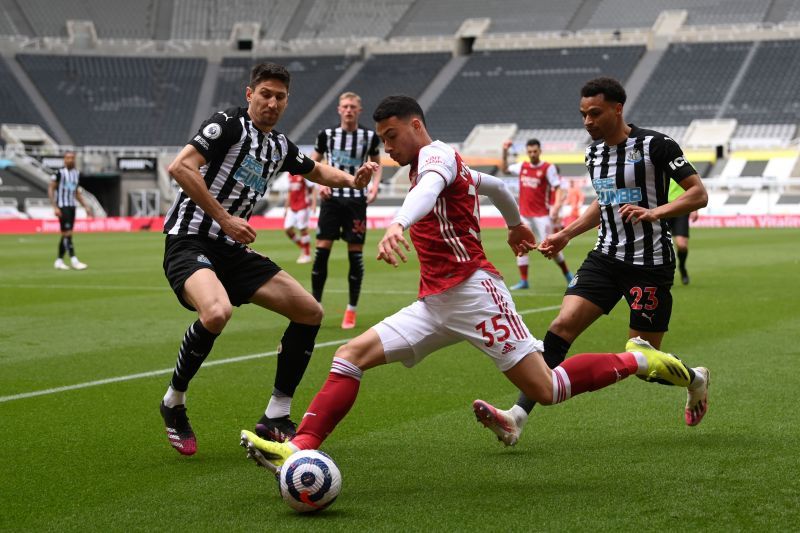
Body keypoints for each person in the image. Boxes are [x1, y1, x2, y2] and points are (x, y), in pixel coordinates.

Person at [239, 95, 710, 470]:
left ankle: (634, 358)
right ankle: (300, 448)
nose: (387, 147)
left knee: (546, 389)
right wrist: (515, 224)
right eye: (382, 139)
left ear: (416, 126)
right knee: (350, 356)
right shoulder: (438, 163)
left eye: (392, 136)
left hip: (475, 293)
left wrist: (399, 224)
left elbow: (428, 190)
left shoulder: (437, 156)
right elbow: (498, 187)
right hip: (437, 302)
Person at [472, 77, 710, 447]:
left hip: (649, 263)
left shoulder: (656, 145)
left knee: (643, 360)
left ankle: (695, 379)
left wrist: (654, 212)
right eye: (583, 114)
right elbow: (604, 202)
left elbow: (698, 193)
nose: (588, 121)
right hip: (605, 257)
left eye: (595, 113)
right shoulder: (594, 154)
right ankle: (516, 417)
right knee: (561, 325)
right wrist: (566, 234)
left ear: (618, 108)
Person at [160, 62, 376, 456]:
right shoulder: (226, 124)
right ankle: (174, 401)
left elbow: (316, 170)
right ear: (250, 94)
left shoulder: (278, 145)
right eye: (265, 94)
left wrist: (352, 180)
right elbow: (180, 167)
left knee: (309, 312)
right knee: (216, 312)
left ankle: (276, 414)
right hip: (190, 241)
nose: (272, 103)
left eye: (280, 97)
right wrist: (224, 219)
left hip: (232, 250)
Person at [311, 92, 382, 329]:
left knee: (355, 254)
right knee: (322, 251)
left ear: (359, 110)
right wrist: (320, 184)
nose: (349, 110)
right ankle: (316, 306)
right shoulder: (327, 135)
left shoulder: (369, 136)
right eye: (345, 106)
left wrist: (374, 187)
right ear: (339, 110)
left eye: (353, 106)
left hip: (355, 201)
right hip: (331, 199)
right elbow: (314, 161)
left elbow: (377, 162)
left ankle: (351, 310)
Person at [501, 138, 573, 290]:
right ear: (527, 152)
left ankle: (568, 275)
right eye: (529, 152)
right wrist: (505, 151)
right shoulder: (522, 166)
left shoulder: (548, 168)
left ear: (540, 151)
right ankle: (524, 281)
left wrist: (557, 205)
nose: (532, 154)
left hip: (542, 215)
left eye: (535, 151)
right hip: (524, 215)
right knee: (521, 246)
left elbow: (557, 187)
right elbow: (505, 169)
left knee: (550, 246)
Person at [49, 151, 92, 270]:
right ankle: (74, 260)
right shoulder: (59, 173)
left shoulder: (76, 173)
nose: (70, 160)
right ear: (64, 159)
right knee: (68, 234)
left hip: (72, 206)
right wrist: (55, 207)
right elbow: (51, 189)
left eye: (72, 158)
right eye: (67, 158)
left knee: (65, 235)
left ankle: (59, 261)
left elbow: (76, 192)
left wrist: (85, 205)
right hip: (62, 207)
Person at [667, 178, 699, 285]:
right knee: (660, 245)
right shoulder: (656, 163)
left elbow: (694, 187)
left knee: (682, 245)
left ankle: (682, 267)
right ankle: (665, 275)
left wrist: (694, 208)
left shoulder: (685, 165)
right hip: (662, 208)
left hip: (681, 207)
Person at [283, 173, 317, 264]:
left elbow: (313, 188)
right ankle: (303, 247)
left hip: (303, 206)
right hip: (292, 207)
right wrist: (286, 207)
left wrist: (314, 204)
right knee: (288, 229)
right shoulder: (289, 175)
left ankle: (307, 255)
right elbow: (290, 191)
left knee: (303, 230)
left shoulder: (304, 173)